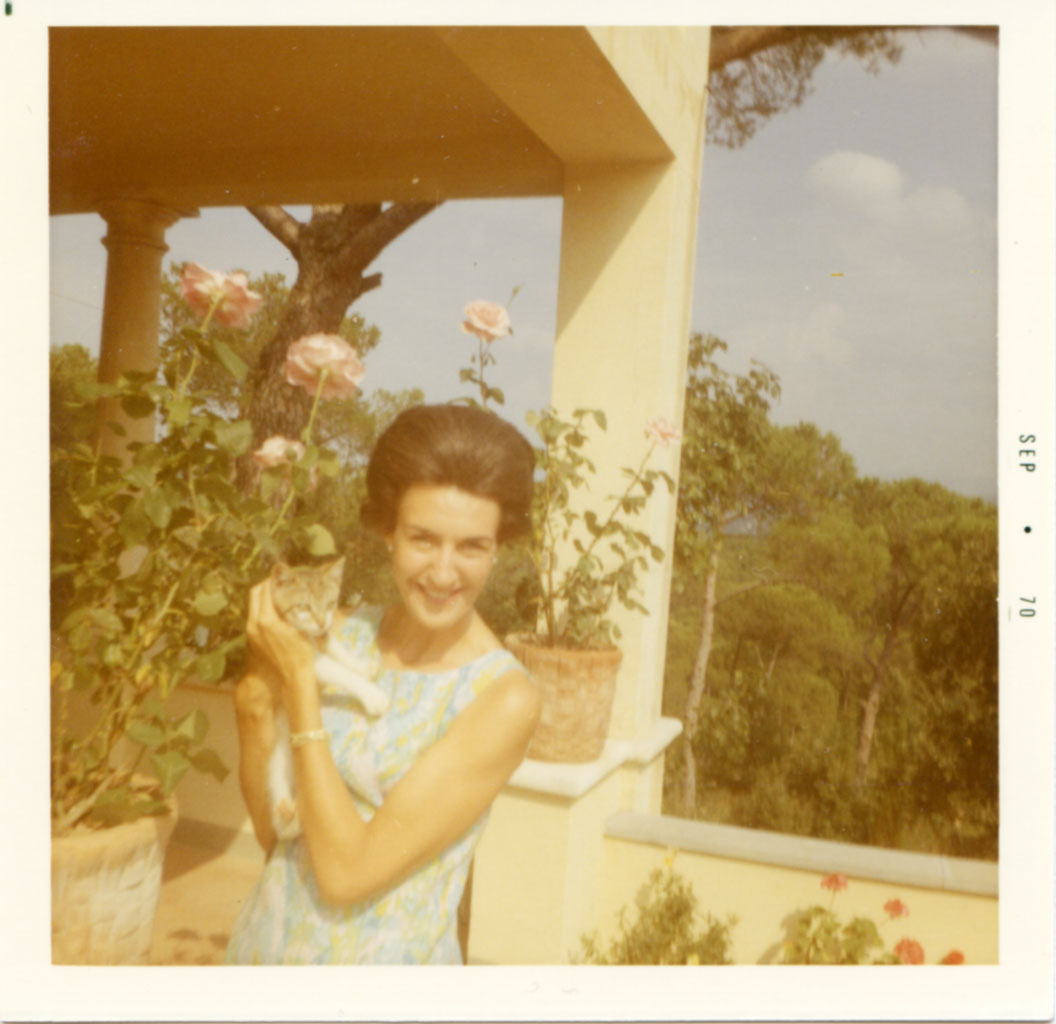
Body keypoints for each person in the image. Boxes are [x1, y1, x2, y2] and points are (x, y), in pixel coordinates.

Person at [224, 403, 541, 964]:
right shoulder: (343, 633)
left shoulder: (501, 699)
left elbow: (345, 876)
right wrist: (252, 704)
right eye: (423, 539)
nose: (443, 573)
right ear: (388, 532)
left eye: (471, 546)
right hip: (265, 949)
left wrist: (299, 682)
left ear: (498, 547)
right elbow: (278, 837)